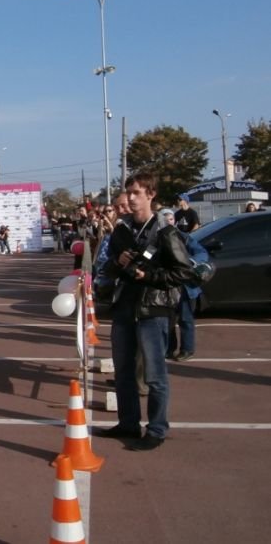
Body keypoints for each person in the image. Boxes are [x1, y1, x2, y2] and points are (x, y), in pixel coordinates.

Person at [95, 172, 195, 451]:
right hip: (124, 308)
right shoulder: (122, 231)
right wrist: (119, 260)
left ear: (150, 195)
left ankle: (157, 429)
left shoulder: (165, 231)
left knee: (154, 375)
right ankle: (128, 423)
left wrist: (148, 276)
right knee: (124, 371)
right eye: (128, 192)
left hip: (154, 310)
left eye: (136, 192)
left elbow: (182, 272)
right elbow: (107, 269)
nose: (129, 198)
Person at [157, 208, 207, 362]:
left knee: (186, 319)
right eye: (165, 220)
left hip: (186, 286)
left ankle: (187, 349)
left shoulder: (184, 237)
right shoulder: (157, 239)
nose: (169, 222)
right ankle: (169, 349)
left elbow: (201, 252)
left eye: (171, 219)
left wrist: (191, 262)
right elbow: (148, 254)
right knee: (168, 320)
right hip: (167, 285)